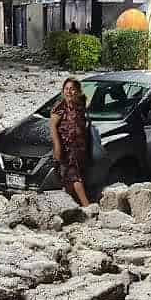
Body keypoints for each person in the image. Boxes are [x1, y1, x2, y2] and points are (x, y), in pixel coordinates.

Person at [50, 76, 91, 208]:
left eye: (72, 89)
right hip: (66, 149)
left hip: (79, 148)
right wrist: (57, 147)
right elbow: (53, 127)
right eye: (66, 89)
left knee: (68, 181)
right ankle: (88, 207)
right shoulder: (60, 107)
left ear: (77, 91)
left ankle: (66, 206)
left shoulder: (80, 106)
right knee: (75, 177)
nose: (69, 91)